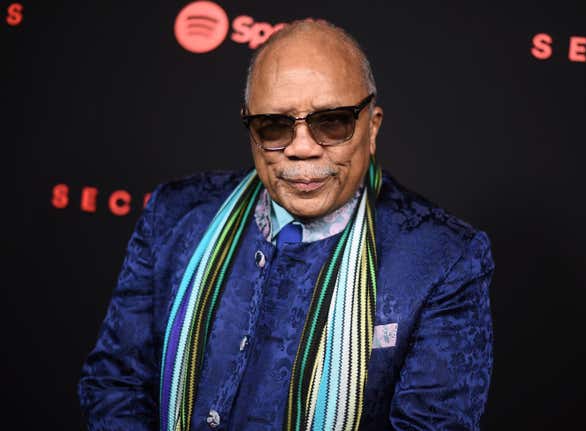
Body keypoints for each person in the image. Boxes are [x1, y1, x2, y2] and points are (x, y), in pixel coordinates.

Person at [78, 19, 495, 431]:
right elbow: (117, 382)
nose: (301, 148)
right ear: (251, 129)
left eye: (332, 122)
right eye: (274, 126)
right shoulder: (174, 215)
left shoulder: (443, 259)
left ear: (372, 128)